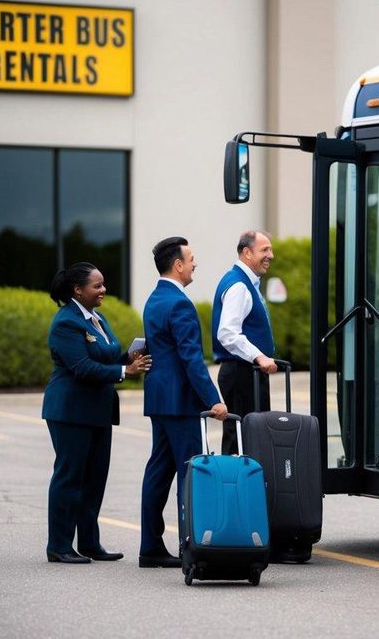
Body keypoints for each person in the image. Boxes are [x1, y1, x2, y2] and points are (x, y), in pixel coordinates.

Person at [43, 262, 152, 564]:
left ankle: (90, 543)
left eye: (103, 284)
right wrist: (124, 370)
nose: (103, 290)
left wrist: (126, 357)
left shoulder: (97, 318)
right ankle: (59, 545)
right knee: (69, 477)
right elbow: (82, 367)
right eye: (97, 285)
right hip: (71, 410)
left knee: (95, 478)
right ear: (78, 290)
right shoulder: (66, 322)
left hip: (99, 411)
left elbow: (103, 357)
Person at [139, 236, 228, 568]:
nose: (194, 264)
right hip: (180, 403)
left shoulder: (154, 299)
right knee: (188, 474)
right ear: (177, 264)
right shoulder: (179, 303)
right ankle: (189, 546)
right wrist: (214, 400)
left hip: (159, 399)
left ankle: (150, 546)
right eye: (191, 259)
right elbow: (192, 359)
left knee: (158, 472)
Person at [213, 230, 278, 455]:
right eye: (265, 250)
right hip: (242, 372)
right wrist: (259, 356)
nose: (271, 255)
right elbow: (227, 333)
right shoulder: (239, 286)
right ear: (247, 253)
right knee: (241, 442)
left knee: (247, 438)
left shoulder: (245, 282)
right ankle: (235, 489)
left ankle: (244, 488)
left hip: (247, 372)